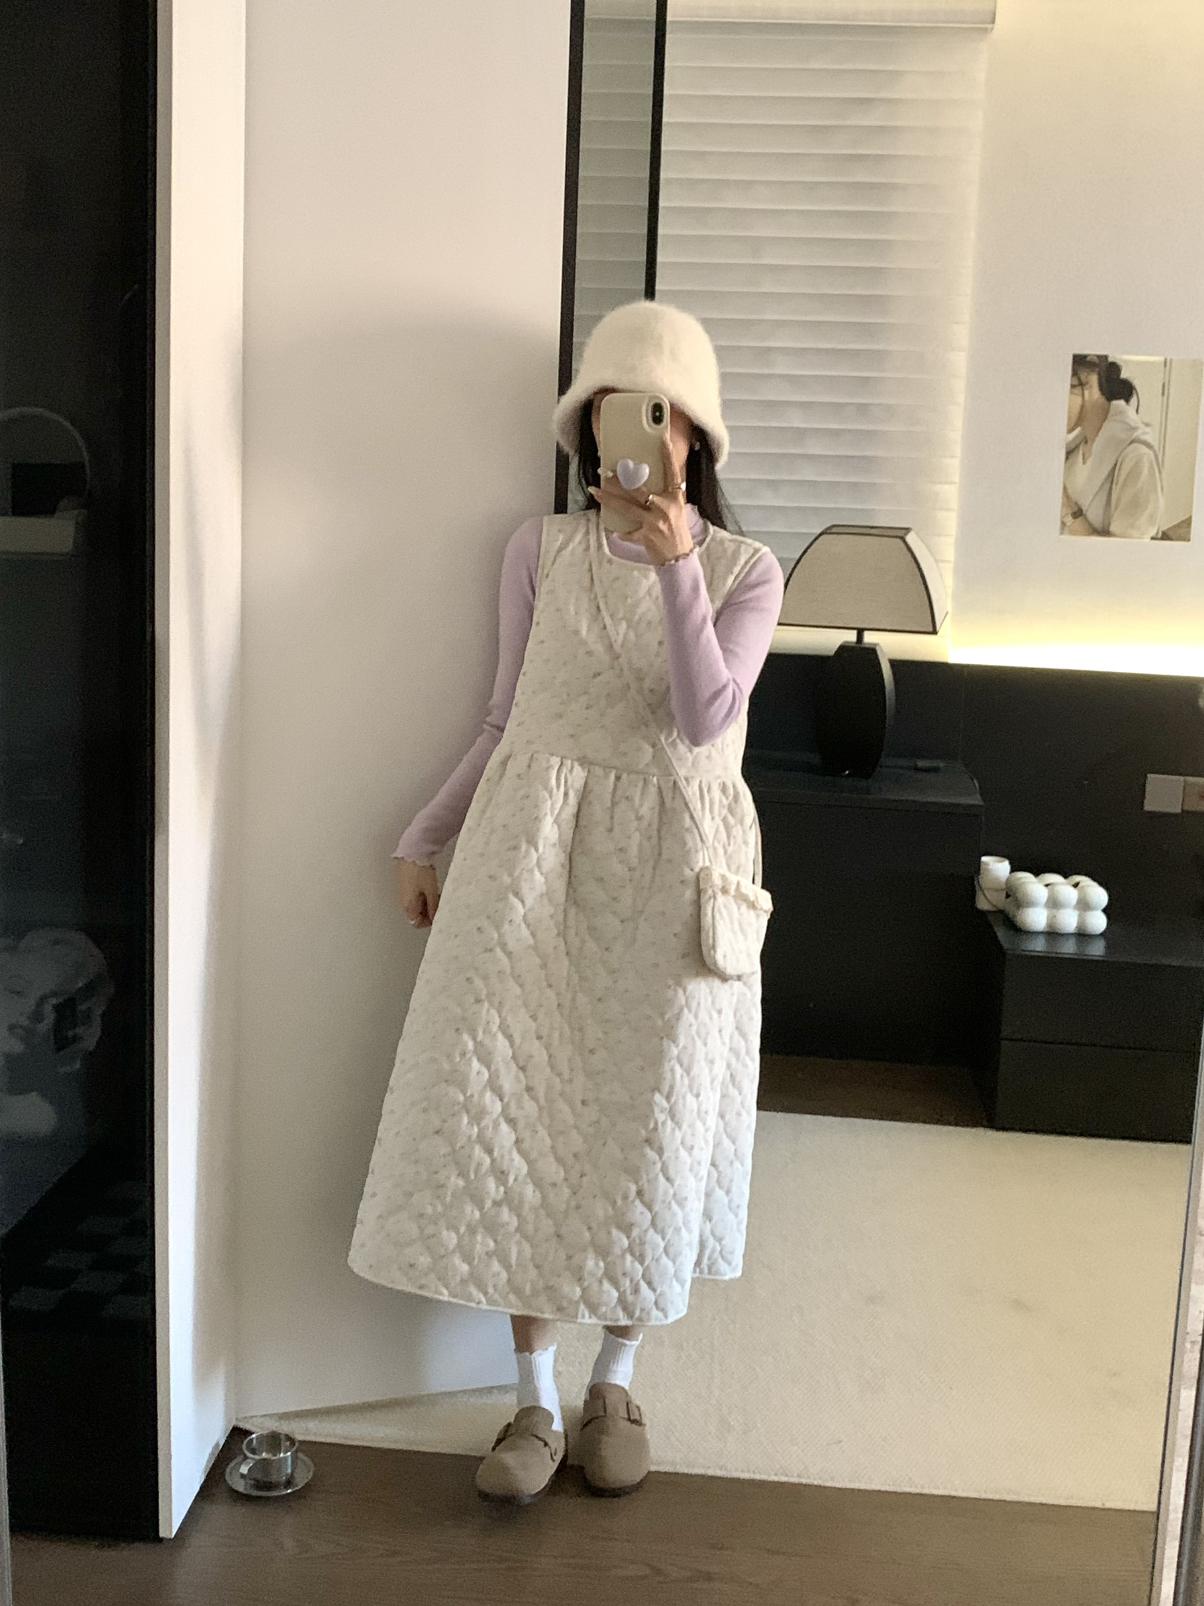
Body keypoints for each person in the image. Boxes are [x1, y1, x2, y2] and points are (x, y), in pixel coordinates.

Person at [347, 300, 784, 1505]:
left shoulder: (746, 571)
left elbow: (703, 718)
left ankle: (617, 1380)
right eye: (607, 411)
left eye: (655, 414)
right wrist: (423, 834)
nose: (626, 435)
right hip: (531, 861)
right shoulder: (536, 550)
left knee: (651, 1124)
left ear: (693, 436)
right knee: (515, 1118)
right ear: (585, 426)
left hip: (677, 874)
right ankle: (534, 1397)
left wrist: (678, 563)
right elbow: (507, 717)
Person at [1063, 353, 1164, 538]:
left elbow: (1126, 553)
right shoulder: (1074, 451)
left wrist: (1069, 512)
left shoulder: (1136, 457)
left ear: (1087, 376)